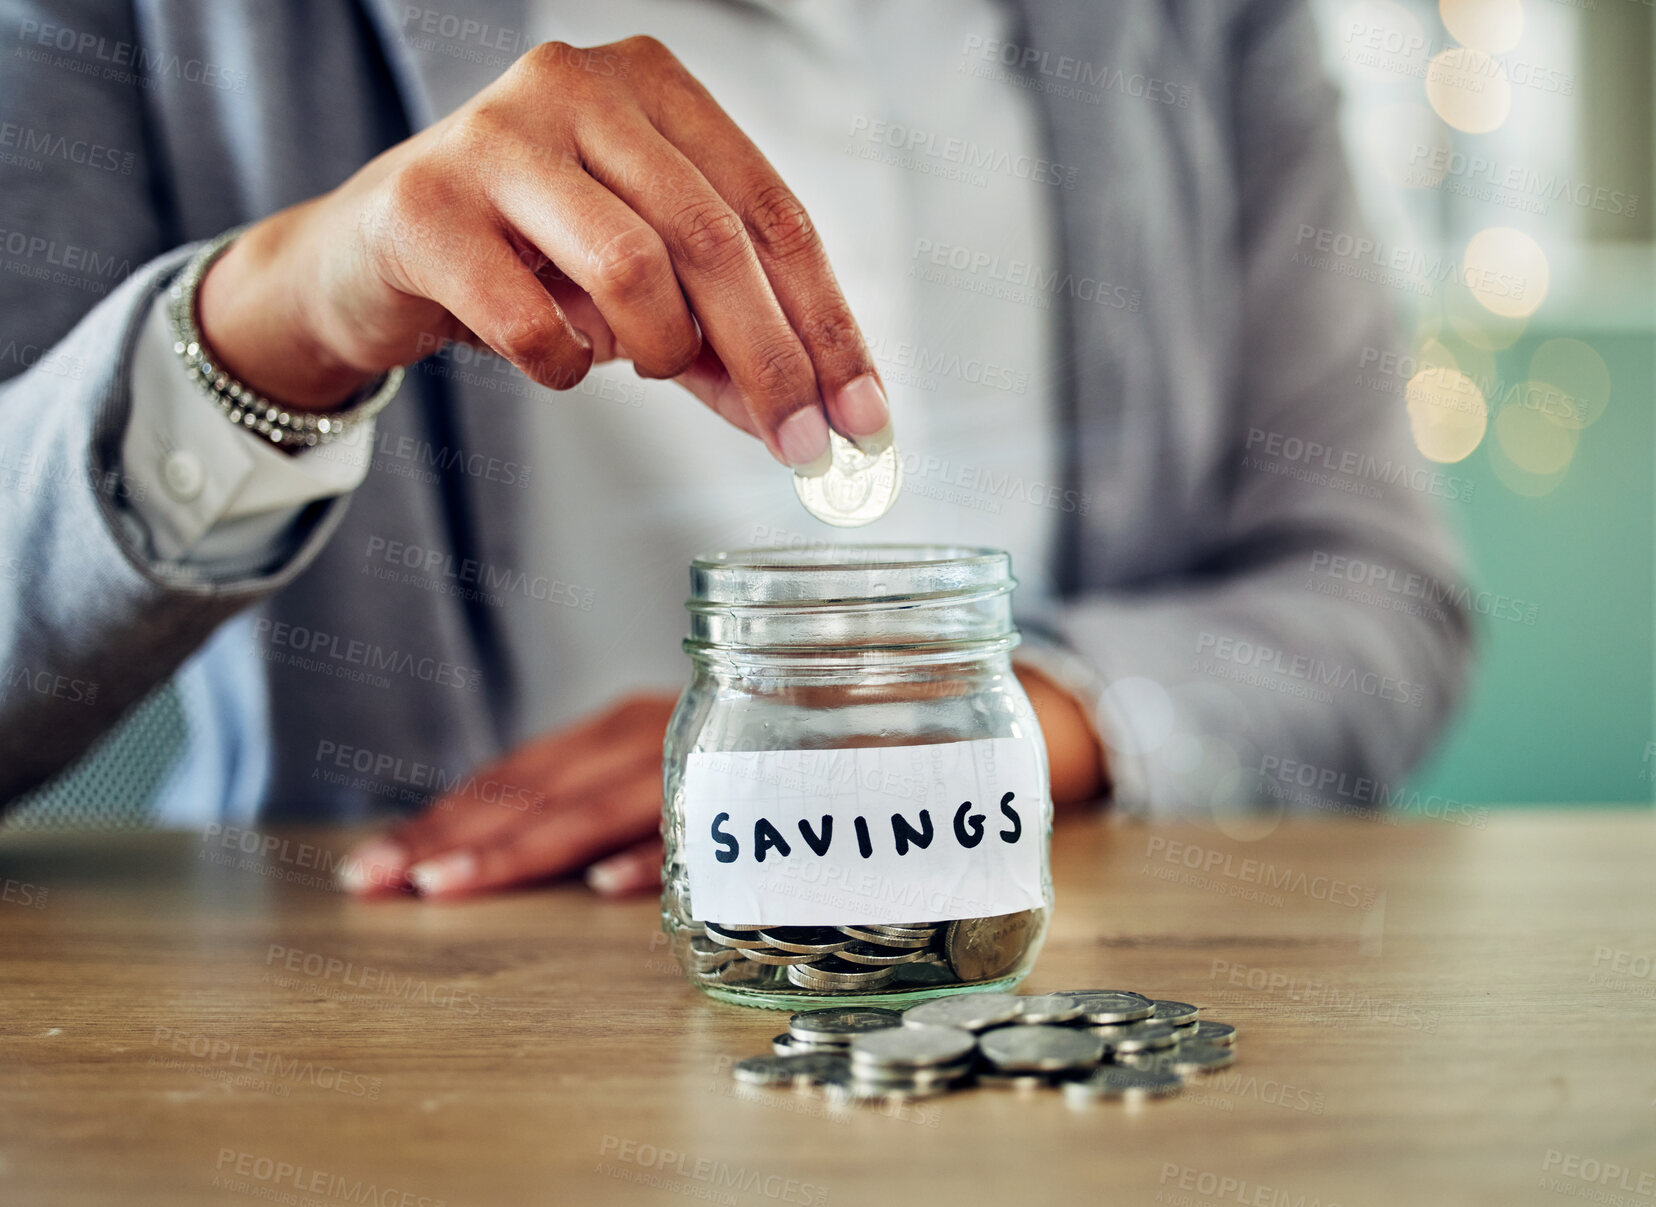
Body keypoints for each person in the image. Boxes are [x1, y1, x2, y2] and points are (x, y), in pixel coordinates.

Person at [0, 0, 1471, 897]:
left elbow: (1374, 599)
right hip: (403, 988)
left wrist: (993, 722)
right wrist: (282, 314)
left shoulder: (1211, 19)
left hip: (1011, 958)